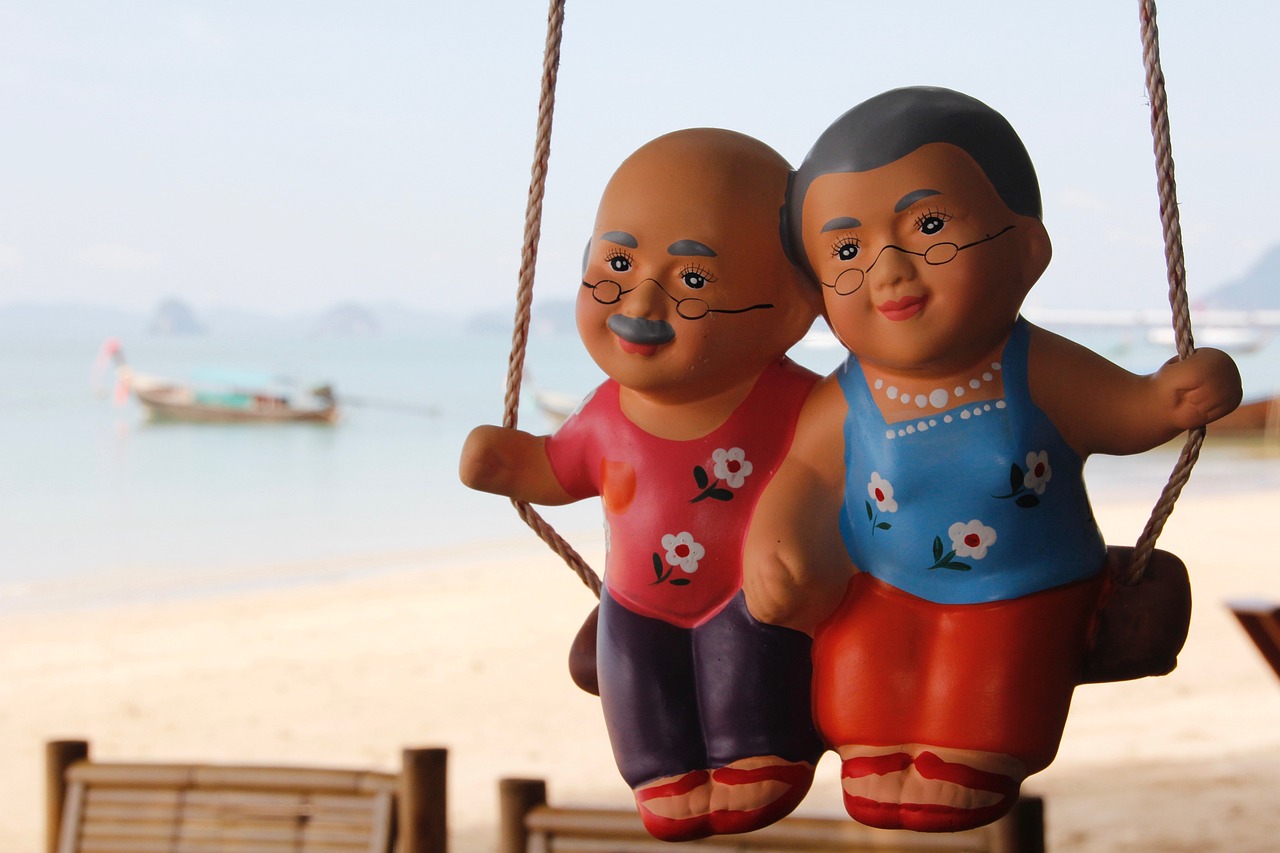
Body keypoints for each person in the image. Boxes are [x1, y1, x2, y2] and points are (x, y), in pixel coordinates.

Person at [743, 86, 1242, 832]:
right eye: (847, 251)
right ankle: (874, 749)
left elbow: (1130, 408)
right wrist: (774, 543)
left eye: (929, 227)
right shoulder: (843, 397)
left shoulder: (1037, 368)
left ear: (1026, 249)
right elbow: (807, 476)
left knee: (986, 691)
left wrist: (1175, 398)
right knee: (855, 681)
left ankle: (974, 755)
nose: (888, 271)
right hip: (881, 587)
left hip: (1025, 587)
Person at [460, 128, 825, 840]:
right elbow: (559, 466)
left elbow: (850, 463)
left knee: (750, 679)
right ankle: (660, 770)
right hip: (635, 602)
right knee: (641, 692)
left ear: (791, 307)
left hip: (749, 595)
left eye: (693, 280)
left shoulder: (799, 404)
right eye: (619, 264)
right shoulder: (606, 412)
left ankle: (760, 753)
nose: (640, 301)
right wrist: (506, 462)